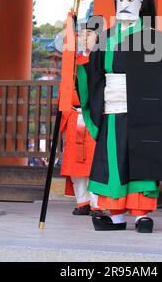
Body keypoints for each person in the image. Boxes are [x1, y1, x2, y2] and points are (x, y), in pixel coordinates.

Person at [76, 0, 162, 233]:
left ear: (141, 3)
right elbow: (95, 73)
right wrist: (77, 71)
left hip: (143, 110)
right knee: (114, 160)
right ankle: (117, 215)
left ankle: (141, 214)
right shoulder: (105, 38)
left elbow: (161, 79)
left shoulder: (154, 38)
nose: (126, 0)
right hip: (112, 105)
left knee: (141, 158)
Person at [60, 17, 101, 216]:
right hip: (75, 116)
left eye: (90, 34)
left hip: (94, 117)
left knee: (95, 162)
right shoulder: (73, 63)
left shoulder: (103, 62)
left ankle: (97, 202)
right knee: (76, 163)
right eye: (82, 34)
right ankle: (82, 200)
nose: (85, 39)